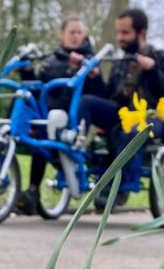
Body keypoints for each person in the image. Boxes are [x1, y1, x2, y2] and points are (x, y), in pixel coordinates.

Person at [77, 8, 164, 208]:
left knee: (132, 131)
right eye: (118, 33)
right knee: (87, 102)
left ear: (141, 32)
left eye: (125, 33)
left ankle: (117, 186)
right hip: (123, 114)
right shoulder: (121, 62)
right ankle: (75, 149)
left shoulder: (160, 58)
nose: (120, 38)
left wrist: (153, 70)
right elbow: (108, 95)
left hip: (154, 117)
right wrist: (95, 78)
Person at [16, 14, 105, 214]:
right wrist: (27, 71)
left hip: (74, 117)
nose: (76, 36)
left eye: (79, 32)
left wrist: (89, 73)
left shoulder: (91, 61)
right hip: (48, 116)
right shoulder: (50, 61)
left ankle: (34, 191)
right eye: (72, 32)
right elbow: (38, 90)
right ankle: (32, 191)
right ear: (61, 34)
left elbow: (101, 93)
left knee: (48, 128)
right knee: (39, 136)